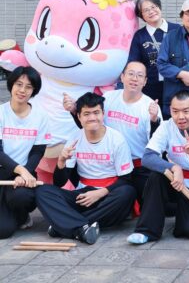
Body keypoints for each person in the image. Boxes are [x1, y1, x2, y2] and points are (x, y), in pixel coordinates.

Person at [127, 90, 189, 244]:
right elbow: (147, 157)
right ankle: (146, 231)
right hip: (175, 180)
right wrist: (175, 168)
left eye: (186, 111)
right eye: (175, 111)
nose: (180, 117)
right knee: (156, 176)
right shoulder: (166, 127)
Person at [36, 93, 136, 244]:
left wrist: (100, 193)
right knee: (43, 191)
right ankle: (80, 228)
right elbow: (59, 183)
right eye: (87, 114)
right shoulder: (75, 138)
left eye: (96, 112)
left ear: (103, 114)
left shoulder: (117, 139)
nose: (92, 118)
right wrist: (61, 162)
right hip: (82, 195)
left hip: (108, 194)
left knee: (128, 192)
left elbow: (126, 179)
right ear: (79, 117)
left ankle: (64, 225)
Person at [63, 61, 160, 207]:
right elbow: (90, 125)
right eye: (131, 74)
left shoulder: (151, 107)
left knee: (144, 202)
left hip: (137, 167)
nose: (134, 78)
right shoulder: (108, 98)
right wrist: (73, 110)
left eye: (140, 75)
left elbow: (157, 145)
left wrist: (154, 121)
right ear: (122, 77)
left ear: (145, 81)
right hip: (106, 163)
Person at [0, 67, 47, 238]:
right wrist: (20, 170)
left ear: (34, 90)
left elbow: (38, 151)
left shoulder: (41, 116)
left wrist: (24, 173)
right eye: (19, 84)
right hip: (3, 172)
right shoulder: (1, 113)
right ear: (11, 85)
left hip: (24, 175)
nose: (22, 90)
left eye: (28, 87)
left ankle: (21, 214)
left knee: (22, 197)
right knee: (3, 231)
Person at [127, 0, 179, 104]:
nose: (151, 11)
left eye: (153, 7)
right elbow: (134, 62)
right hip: (151, 88)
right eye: (146, 10)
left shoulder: (177, 30)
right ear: (141, 15)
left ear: (159, 7)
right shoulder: (140, 36)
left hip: (177, 85)